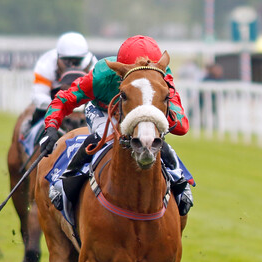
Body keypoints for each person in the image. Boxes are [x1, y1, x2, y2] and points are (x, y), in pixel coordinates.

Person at [38, 35, 193, 216]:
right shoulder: (101, 75)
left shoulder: (162, 76)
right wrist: (51, 128)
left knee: (157, 139)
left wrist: (161, 108)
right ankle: (66, 180)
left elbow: (181, 126)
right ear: (119, 72)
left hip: (145, 117)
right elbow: (65, 99)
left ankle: (180, 181)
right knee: (103, 137)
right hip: (105, 111)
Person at [24, 32, 96, 143]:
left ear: (85, 58)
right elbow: (38, 96)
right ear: (58, 57)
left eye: (77, 61)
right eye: (67, 61)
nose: (72, 65)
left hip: (81, 104)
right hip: (53, 101)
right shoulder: (45, 65)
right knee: (37, 113)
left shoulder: (93, 65)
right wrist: (59, 106)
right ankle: (27, 135)